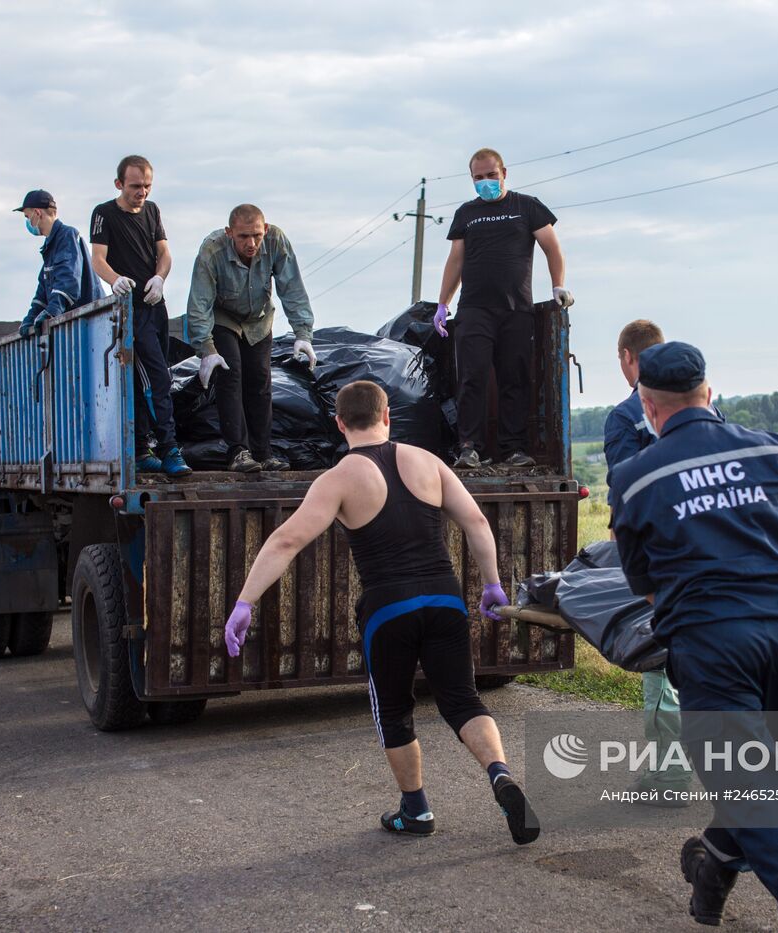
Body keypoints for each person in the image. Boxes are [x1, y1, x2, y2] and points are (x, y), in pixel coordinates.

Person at [224, 380, 539, 845]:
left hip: (388, 609)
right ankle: (499, 774)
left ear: (339, 423)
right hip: (444, 599)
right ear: (387, 415)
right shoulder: (427, 462)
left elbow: (286, 540)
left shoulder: (337, 479)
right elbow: (475, 521)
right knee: (462, 700)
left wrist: (244, 603)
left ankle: (416, 811)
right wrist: (492, 584)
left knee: (393, 712)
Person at [611, 342, 778, 931]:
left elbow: (644, 584)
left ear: (647, 404)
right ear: (708, 393)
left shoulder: (636, 477)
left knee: (747, 784)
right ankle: (711, 874)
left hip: (714, 644)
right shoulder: (771, 447)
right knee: (753, 774)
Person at [433, 147, 573, 470]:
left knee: (515, 378)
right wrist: (443, 302)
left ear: (504, 173)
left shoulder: (526, 207)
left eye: (490, 176)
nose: (485, 182)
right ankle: (470, 448)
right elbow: (456, 260)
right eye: (478, 178)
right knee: (473, 377)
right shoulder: (466, 213)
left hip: (516, 310)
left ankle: (514, 449)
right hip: (474, 310)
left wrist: (558, 285)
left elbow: (552, 247)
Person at [603, 320, 690, 804]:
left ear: (628, 358)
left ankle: (670, 777)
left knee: (661, 661)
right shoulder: (701, 404)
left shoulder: (624, 415)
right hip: (709, 550)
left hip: (660, 554)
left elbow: (625, 488)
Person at [187, 204, 315, 474]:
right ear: (229, 232)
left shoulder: (276, 241)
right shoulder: (212, 250)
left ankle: (263, 452)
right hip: (223, 318)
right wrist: (207, 349)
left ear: (265, 229)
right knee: (230, 374)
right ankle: (238, 451)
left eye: (257, 235)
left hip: (258, 320)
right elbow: (199, 304)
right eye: (243, 236)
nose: (251, 243)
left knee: (260, 380)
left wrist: (303, 333)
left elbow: (291, 287)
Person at [90, 155, 189, 477]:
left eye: (147, 186)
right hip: (129, 309)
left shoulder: (153, 211)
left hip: (155, 304)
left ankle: (140, 448)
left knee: (151, 377)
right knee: (156, 378)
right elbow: (98, 259)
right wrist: (114, 279)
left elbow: (164, 253)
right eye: (135, 186)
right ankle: (169, 449)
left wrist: (161, 277)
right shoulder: (104, 214)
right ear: (120, 184)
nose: (141, 192)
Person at [14, 189, 105, 339]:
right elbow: (43, 289)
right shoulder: (51, 246)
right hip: (74, 326)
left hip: (91, 323)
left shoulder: (67, 236)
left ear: (38, 213)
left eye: (27, 216)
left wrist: (52, 311)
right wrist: (31, 317)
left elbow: (68, 280)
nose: (28, 222)